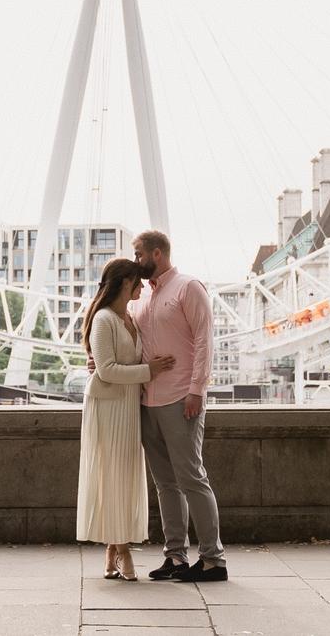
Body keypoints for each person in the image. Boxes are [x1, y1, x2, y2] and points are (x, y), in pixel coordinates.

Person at [131, 229, 227, 581]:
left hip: (180, 397)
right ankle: (175, 557)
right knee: (165, 484)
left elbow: (204, 340)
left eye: (139, 254)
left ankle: (213, 559)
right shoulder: (139, 300)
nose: (135, 260)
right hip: (147, 399)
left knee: (191, 478)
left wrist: (197, 390)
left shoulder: (189, 288)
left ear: (157, 254)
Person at [76, 257, 175, 581]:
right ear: (123, 283)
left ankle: (111, 551)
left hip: (129, 405)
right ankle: (123, 550)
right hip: (107, 408)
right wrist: (150, 371)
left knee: (124, 477)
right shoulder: (104, 319)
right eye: (138, 281)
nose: (143, 286)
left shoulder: (129, 317)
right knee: (113, 477)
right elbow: (106, 370)